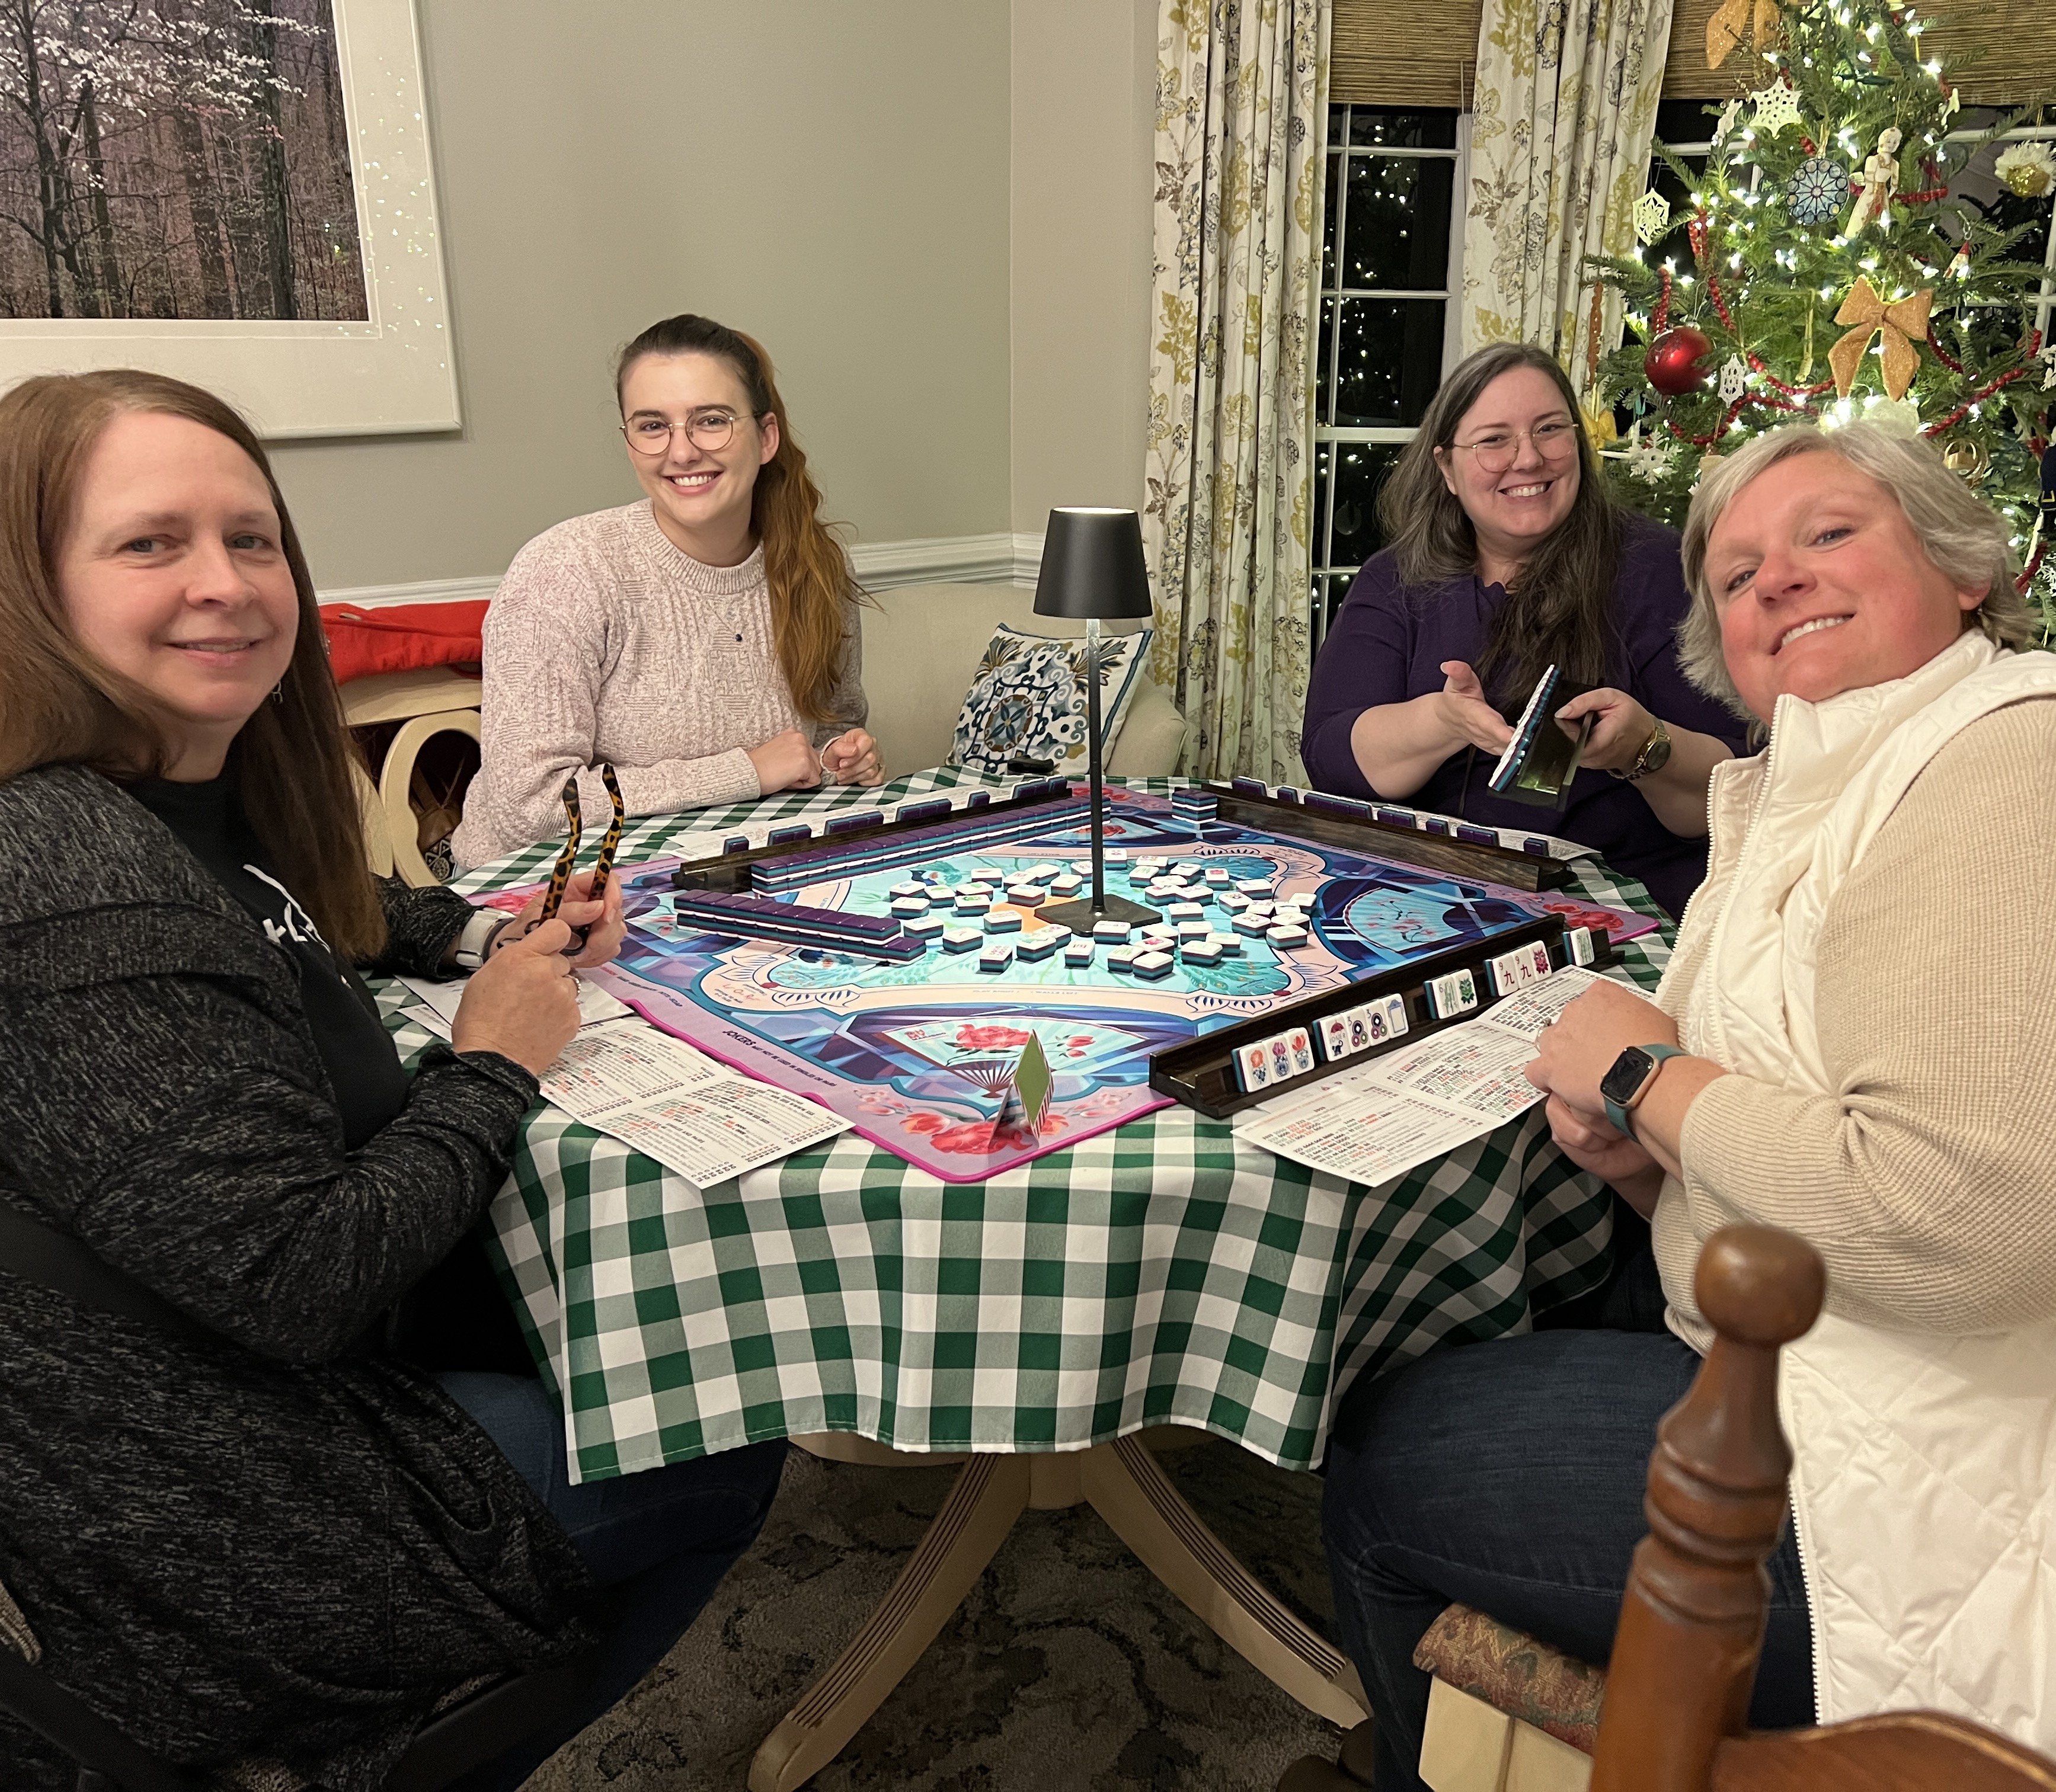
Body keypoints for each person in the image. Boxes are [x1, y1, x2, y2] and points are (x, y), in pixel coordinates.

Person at [0, 370, 786, 1792]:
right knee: (719, 1437)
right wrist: (489, 1059)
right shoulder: (74, 883)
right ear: (30, 588)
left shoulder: (169, 797)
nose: (225, 585)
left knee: (595, 1311)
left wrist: (495, 928)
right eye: (147, 544)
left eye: (253, 540)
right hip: (222, 1509)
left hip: (240, 1395)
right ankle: (403, 1752)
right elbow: (301, 1279)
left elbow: (322, 905)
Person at [1316, 420, 2056, 1789]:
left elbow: (1957, 1212)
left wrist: (1647, 1075)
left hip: (1912, 1488)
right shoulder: (1802, 782)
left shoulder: (2001, 756)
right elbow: (1805, 1156)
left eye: (1826, 534)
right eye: (1733, 572)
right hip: (1810, 1360)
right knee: (1502, 1327)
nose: (1774, 578)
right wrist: (1643, 1158)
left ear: (1965, 575)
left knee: (1372, 1455)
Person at [1300, 343, 1749, 918]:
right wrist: (1441, 720)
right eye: (1493, 440)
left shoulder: (1658, 568)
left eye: (1548, 430)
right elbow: (1332, 759)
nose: (1528, 458)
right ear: (1446, 469)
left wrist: (1644, 748)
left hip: (1625, 898)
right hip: (1427, 888)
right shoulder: (1394, 579)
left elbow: (1728, 791)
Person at [452, 313, 882, 868]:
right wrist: (745, 771)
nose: (681, 452)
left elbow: (830, 728)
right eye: (653, 426)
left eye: (710, 420)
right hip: (538, 893)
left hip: (733, 874)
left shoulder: (814, 566)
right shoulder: (567, 570)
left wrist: (840, 758)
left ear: (767, 436)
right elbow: (529, 807)